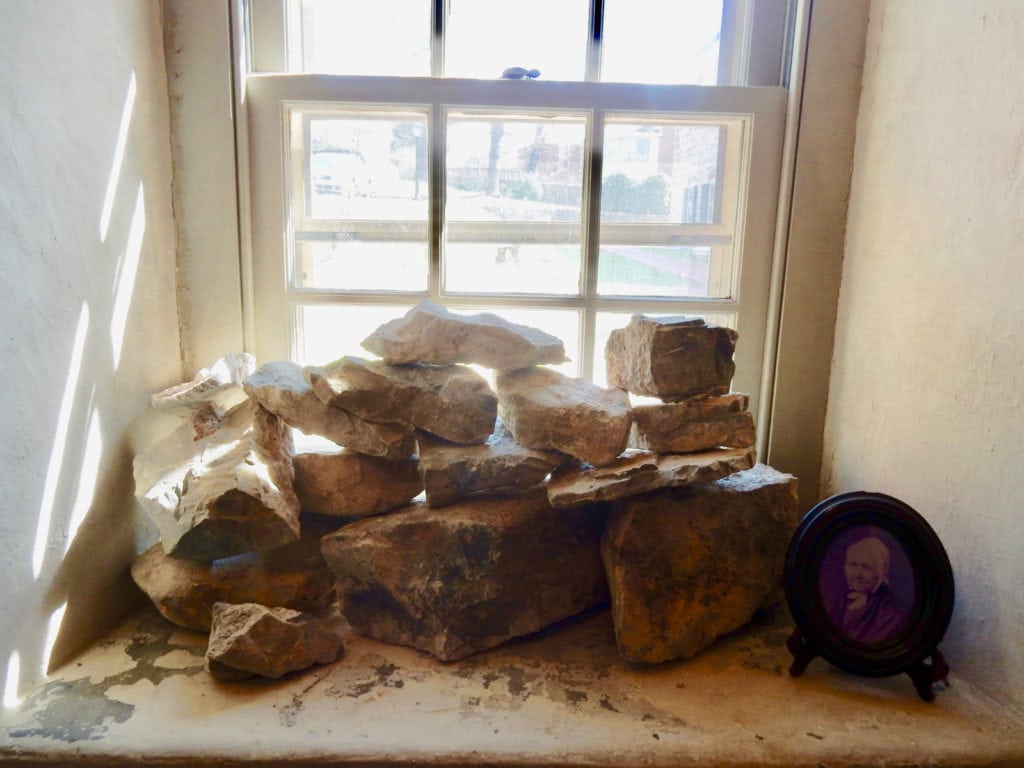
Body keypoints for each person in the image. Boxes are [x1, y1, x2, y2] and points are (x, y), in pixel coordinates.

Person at [828, 536, 910, 644]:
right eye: (853, 565)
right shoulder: (840, 602)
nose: (857, 574)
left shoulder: (893, 612)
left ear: (880, 573)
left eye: (866, 567)